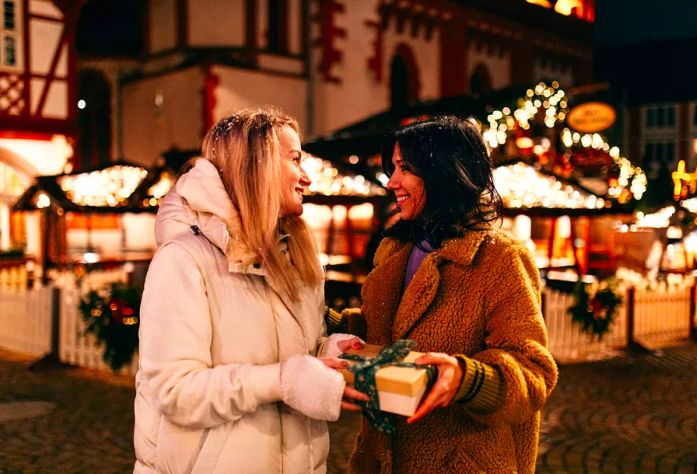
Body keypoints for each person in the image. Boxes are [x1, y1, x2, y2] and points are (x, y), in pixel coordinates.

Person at [133, 107, 366, 473]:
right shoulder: (183, 261)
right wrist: (282, 381)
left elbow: (287, 355)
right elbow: (176, 391)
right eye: (294, 159)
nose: (306, 176)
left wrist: (327, 352)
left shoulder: (294, 256)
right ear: (256, 167)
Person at [348, 116, 558, 473]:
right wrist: (328, 322)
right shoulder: (395, 250)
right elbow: (383, 332)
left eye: (404, 168)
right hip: (383, 458)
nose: (391, 181)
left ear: (442, 172)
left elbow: (534, 372)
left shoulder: (499, 259)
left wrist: (466, 378)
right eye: (393, 168)